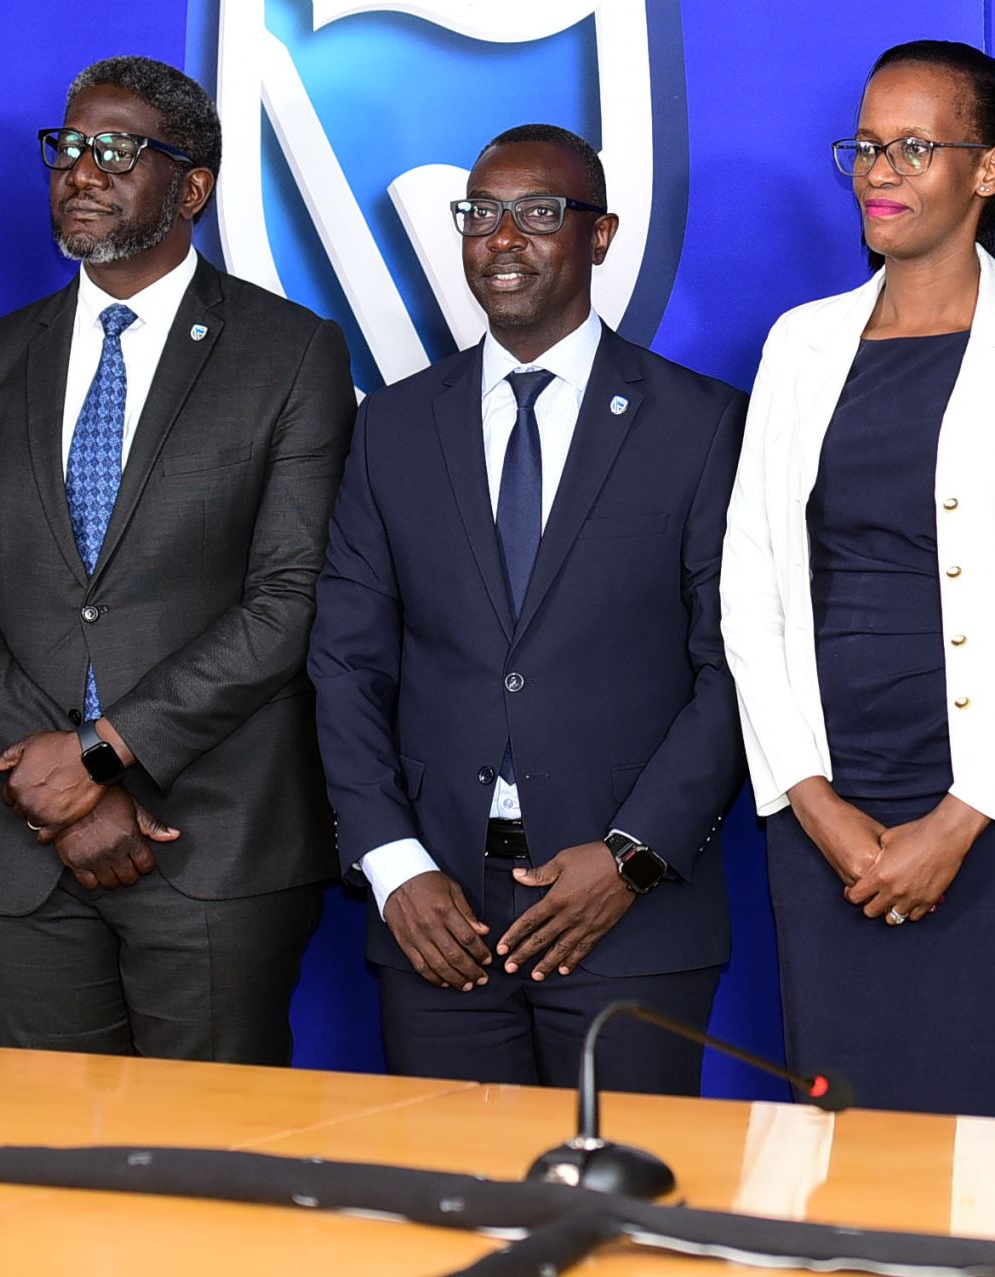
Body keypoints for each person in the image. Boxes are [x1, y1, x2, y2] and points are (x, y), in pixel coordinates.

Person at [0, 56, 354, 1064]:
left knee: (210, 1183)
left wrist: (105, 754)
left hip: (212, 844)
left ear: (191, 185)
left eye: (116, 149)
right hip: (21, 844)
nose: (81, 170)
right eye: (67, 147)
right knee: (51, 1183)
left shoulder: (288, 354)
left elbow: (287, 599)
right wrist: (48, 776)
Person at [724, 42, 995, 1121]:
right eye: (864, 146)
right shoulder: (799, 344)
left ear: (987, 169)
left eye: (911, 147)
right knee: (849, 1161)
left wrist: (956, 824)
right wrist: (811, 800)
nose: (876, 172)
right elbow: (752, 583)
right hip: (828, 830)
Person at [310, 124, 746, 1092]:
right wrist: (391, 865)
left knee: (623, 1230)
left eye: (538, 212)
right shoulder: (391, 425)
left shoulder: (701, 423)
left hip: (633, 923)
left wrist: (631, 857)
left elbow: (735, 669)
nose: (501, 238)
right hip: (437, 924)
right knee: (461, 1221)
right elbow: (345, 663)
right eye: (480, 213)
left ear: (600, 234)